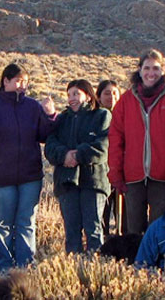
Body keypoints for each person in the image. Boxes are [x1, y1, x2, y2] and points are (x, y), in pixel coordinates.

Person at [0, 63, 56, 273]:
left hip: (29, 176)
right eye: (18, 80)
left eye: (25, 81)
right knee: (3, 223)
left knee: (26, 222)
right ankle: (4, 268)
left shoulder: (32, 106)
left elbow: (45, 135)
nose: (22, 85)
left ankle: (25, 268)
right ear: (6, 81)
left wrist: (51, 115)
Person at [108, 50, 165, 235]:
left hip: (162, 176)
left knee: (159, 226)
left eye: (156, 68)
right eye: (147, 68)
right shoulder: (127, 100)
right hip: (133, 175)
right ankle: (135, 262)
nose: (151, 73)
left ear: (163, 70)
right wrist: (116, 173)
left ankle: (156, 262)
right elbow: (116, 138)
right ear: (139, 70)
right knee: (133, 227)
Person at [44, 79, 111, 253]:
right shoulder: (62, 120)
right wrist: (64, 155)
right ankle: (74, 271)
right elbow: (50, 146)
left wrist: (78, 155)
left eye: (76, 93)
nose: (71, 98)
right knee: (72, 233)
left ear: (88, 96)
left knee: (94, 230)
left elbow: (103, 146)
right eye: (69, 94)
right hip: (67, 183)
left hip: (93, 182)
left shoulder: (102, 115)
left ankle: (95, 270)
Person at [96, 80, 122, 236]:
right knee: (102, 215)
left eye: (114, 93)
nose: (111, 96)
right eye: (106, 93)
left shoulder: (125, 116)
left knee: (122, 216)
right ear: (98, 97)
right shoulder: (95, 118)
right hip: (101, 173)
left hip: (121, 171)